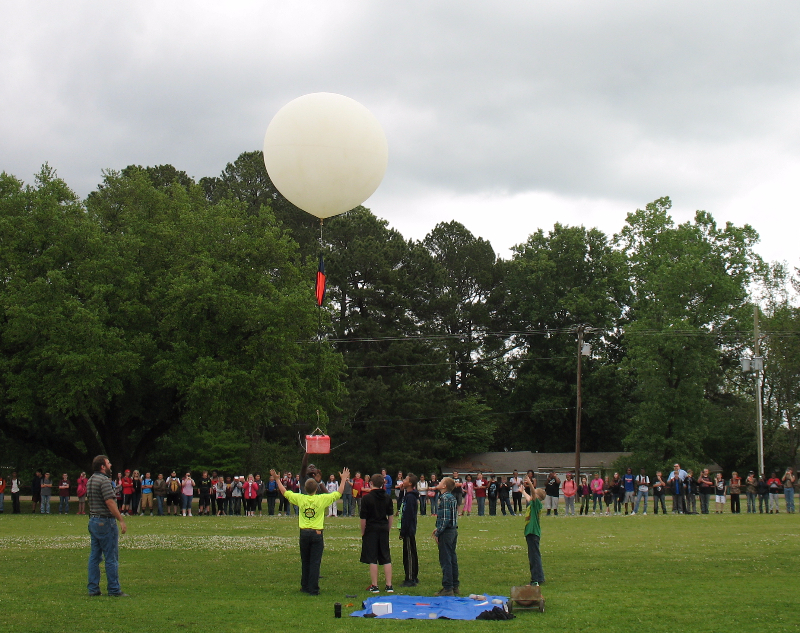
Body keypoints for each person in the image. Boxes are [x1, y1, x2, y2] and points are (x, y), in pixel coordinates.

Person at [271, 466, 349, 596]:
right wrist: (344, 479)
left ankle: (305, 586)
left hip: (304, 533)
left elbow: (284, 492)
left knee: (305, 560)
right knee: (315, 562)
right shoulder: (322, 499)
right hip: (317, 533)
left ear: (305, 489)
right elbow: (339, 493)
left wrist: (277, 480)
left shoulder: (301, 498)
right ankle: (313, 588)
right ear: (317, 489)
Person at [86, 454, 128, 597]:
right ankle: (114, 589)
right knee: (111, 557)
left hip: (93, 520)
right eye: (108, 463)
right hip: (105, 522)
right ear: (102, 466)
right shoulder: (104, 481)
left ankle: (93, 588)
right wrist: (120, 519)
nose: (111, 465)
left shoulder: (91, 480)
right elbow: (110, 501)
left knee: (94, 557)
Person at [360, 473, 395, 593]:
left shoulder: (366, 498)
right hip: (383, 528)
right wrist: (388, 528)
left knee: (372, 557)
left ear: (371, 483)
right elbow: (390, 516)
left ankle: (375, 585)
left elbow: (363, 518)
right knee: (386, 556)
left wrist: (363, 531)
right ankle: (389, 585)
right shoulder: (387, 498)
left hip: (371, 529)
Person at [432, 476, 459, 596]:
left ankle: (448, 588)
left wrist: (438, 532)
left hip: (447, 533)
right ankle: (455, 585)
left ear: (444, 486)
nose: (439, 482)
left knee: (446, 560)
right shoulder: (452, 498)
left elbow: (445, 518)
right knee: (452, 558)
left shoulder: (444, 498)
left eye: (441, 482)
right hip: (453, 531)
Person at [520, 476, 546, 586]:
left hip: (533, 533)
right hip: (530, 533)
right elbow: (529, 498)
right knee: (534, 555)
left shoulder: (537, 504)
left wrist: (530, 484)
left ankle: (535, 579)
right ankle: (539, 577)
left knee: (534, 557)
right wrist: (523, 491)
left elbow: (533, 496)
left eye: (534, 493)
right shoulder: (533, 503)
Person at [399, 473, 420, 587]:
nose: (404, 480)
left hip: (408, 529)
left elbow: (408, 515)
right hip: (408, 528)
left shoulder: (411, 497)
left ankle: (410, 578)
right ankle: (413, 576)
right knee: (411, 551)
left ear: (410, 483)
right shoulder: (408, 495)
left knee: (409, 554)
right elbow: (401, 505)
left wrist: (403, 530)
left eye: (406, 479)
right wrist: (402, 491)